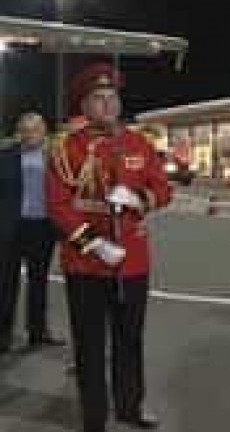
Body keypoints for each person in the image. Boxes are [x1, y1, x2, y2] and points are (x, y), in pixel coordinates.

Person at [46, 62, 170, 432]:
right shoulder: (66, 148)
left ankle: (130, 406)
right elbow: (58, 206)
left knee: (129, 340)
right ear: (83, 105)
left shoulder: (139, 143)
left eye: (112, 96)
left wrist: (139, 199)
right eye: (98, 98)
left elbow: (163, 189)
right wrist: (93, 244)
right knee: (89, 344)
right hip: (86, 263)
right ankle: (94, 417)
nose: (108, 104)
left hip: (132, 263)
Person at [0, 112, 66, 354]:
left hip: (43, 228)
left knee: (39, 281)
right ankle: (3, 336)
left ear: (44, 131)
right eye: (25, 130)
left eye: (35, 130)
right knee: (5, 284)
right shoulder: (6, 155)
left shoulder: (55, 157)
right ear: (19, 132)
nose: (30, 135)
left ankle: (38, 332)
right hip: (12, 228)